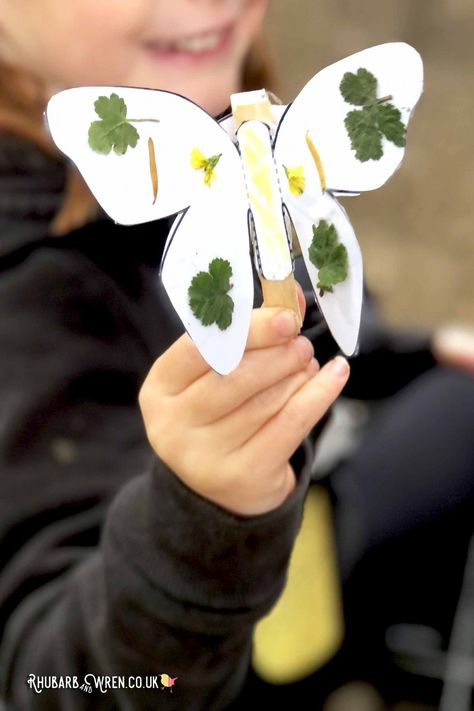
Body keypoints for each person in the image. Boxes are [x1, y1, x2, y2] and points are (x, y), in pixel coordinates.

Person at [0, 1, 473, 709]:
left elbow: (324, 314)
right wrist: (201, 516)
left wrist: (409, 354)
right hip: (207, 661)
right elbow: (54, 682)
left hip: (313, 546)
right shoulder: (26, 303)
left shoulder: (240, 113)